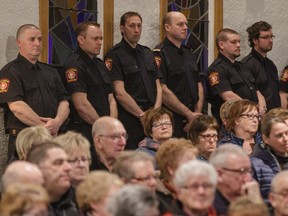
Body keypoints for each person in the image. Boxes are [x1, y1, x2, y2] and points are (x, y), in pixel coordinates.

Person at [0, 24, 70, 163]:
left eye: (40, 39)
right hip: (24, 141)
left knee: (50, 182)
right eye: (32, 39)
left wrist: (57, 122)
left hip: (52, 138)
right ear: (19, 43)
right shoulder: (10, 71)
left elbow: (64, 101)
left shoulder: (50, 71)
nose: (37, 43)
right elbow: (17, 107)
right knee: (23, 183)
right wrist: (46, 129)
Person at [104, 11, 162, 149]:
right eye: (132, 26)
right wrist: (142, 116)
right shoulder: (115, 55)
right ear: (122, 28)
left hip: (153, 118)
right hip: (132, 118)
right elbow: (119, 92)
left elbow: (158, 86)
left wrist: (155, 112)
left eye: (139, 26)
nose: (136, 30)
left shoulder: (147, 52)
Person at [62, 21, 117, 148]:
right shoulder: (74, 65)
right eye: (95, 39)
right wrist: (102, 128)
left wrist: (112, 125)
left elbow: (111, 99)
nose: (100, 42)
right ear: (81, 40)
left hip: (104, 131)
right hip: (84, 131)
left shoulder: (100, 64)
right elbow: (81, 104)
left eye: (101, 38)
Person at [153, 11, 203, 138]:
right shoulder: (160, 53)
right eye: (180, 24)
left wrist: (196, 114)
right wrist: (188, 114)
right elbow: (162, 90)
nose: (185, 27)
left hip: (194, 119)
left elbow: (198, 84)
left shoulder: (188, 52)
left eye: (186, 24)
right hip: (173, 119)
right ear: (167, 27)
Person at [206, 28, 265, 124]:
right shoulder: (216, 69)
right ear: (221, 45)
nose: (238, 45)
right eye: (233, 42)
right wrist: (253, 110)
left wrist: (262, 108)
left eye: (239, 42)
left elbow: (257, 92)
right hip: (232, 123)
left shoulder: (243, 66)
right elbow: (228, 96)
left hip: (253, 120)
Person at [26, 141, 79, 216]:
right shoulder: (21, 209)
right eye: (58, 163)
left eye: (68, 162)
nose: (68, 168)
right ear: (37, 169)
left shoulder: (82, 204)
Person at [209, 144, 262, 215]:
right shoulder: (206, 207)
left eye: (249, 171)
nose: (248, 178)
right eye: (241, 171)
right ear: (219, 174)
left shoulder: (249, 197)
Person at [242, 21, 280, 112]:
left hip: (274, 115)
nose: (270, 40)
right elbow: (249, 94)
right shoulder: (247, 64)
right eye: (265, 37)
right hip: (259, 115)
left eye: (271, 37)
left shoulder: (271, 64)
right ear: (255, 40)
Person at [251, 108, 288, 202]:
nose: (285, 139)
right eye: (279, 135)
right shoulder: (254, 165)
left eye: (287, 133)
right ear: (265, 138)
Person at [156, 138, 198, 215]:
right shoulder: (157, 203)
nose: (196, 169)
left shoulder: (199, 193)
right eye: (190, 165)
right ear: (171, 169)